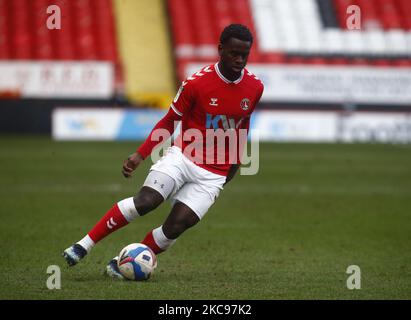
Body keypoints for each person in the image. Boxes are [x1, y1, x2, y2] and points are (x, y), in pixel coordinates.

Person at [62, 24, 264, 279]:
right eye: (234, 53)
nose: (239, 60)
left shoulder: (255, 88)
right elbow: (170, 120)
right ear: (220, 49)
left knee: (177, 226)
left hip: (214, 173)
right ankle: (84, 245)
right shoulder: (196, 83)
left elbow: (241, 125)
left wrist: (234, 163)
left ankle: (122, 263)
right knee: (147, 201)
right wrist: (140, 154)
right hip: (182, 157)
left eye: (244, 54)